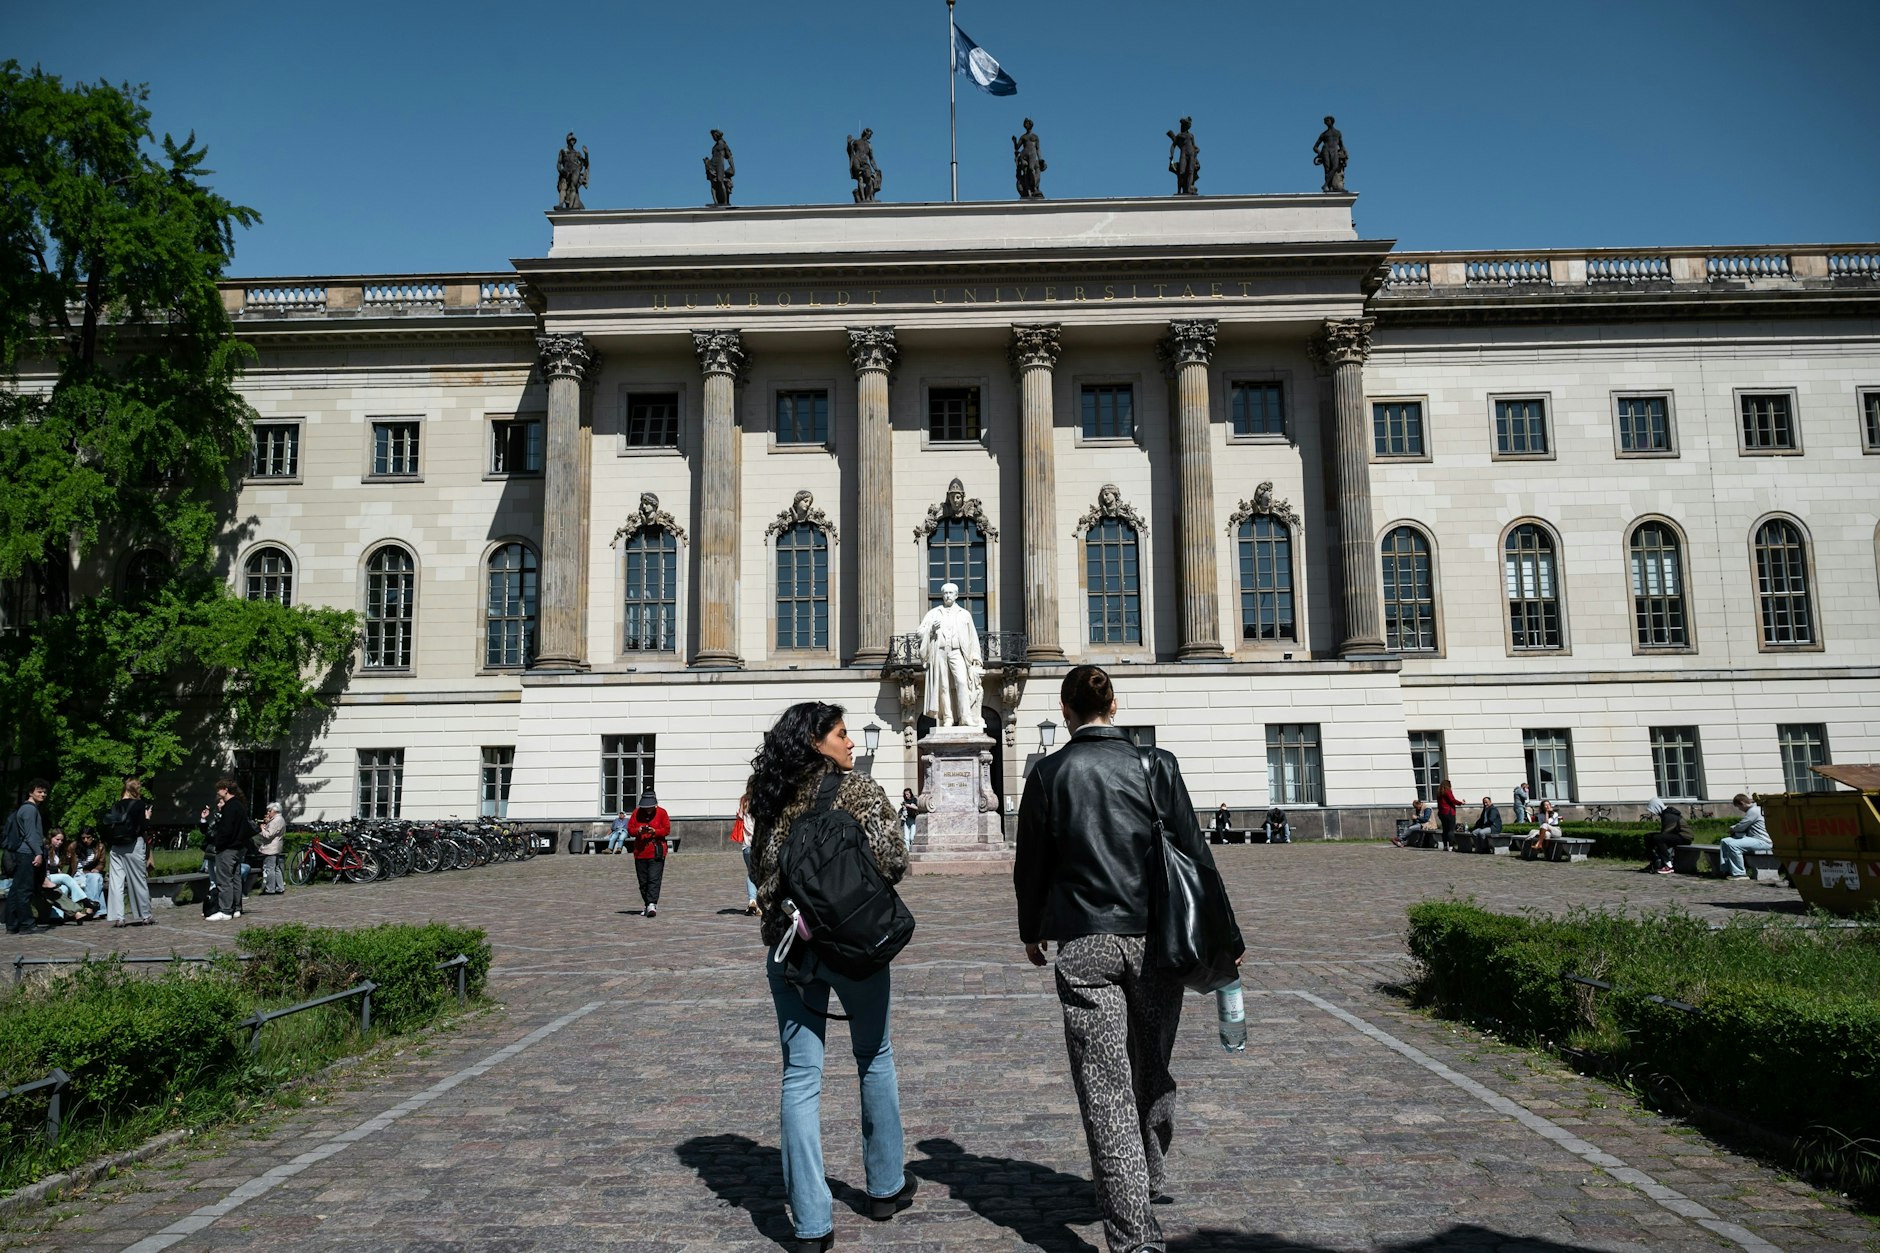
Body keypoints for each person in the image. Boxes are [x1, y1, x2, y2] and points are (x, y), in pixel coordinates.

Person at [1016, 664, 1242, 1253]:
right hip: (1157, 940)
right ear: (1114, 706)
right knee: (1151, 1065)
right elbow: (1196, 853)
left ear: (1065, 712)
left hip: (1085, 941)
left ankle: (1134, 1229)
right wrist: (1226, 938)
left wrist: (1031, 931)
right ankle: (1147, 1178)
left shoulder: (1047, 774)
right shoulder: (1157, 765)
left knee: (1105, 1085)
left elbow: (1031, 865)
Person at [747, 701, 914, 1252]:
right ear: (817, 742)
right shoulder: (860, 791)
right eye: (841, 734)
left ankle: (812, 1224)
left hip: (792, 948)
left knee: (800, 1077)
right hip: (856, 947)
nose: (850, 742)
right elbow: (894, 860)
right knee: (874, 1055)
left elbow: (760, 871)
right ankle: (886, 1188)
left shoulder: (773, 798)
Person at [918, 582, 984, 727]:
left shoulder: (964, 614)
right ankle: (948, 717)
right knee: (943, 686)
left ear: (956, 595)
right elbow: (919, 632)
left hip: (957, 652)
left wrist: (975, 656)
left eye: (950, 593)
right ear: (942, 595)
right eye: (945, 593)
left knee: (962, 682)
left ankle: (965, 717)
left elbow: (972, 637)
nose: (948, 595)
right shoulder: (934, 613)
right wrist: (930, 630)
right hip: (940, 652)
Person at [103, 777, 156, 928]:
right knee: (138, 880)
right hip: (133, 845)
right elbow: (143, 827)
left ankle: (118, 917)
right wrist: (147, 817)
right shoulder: (139, 804)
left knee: (116, 882)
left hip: (116, 846)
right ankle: (145, 915)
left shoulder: (115, 805)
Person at [3, 778, 50, 934]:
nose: (43, 794)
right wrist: (38, 853)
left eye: (45, 792)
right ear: (31, 792)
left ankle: (12, 924)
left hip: (24, 853)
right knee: (24, 890)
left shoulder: (27, 809)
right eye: (39, 791)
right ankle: (26, 924)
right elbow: (31, 835)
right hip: (27, 853)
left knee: (16, 889)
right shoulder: (30, 810)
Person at [199, 777, 250, 921]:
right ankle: (236, 908)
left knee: (225, 880)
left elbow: (226, 830)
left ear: (226, 790)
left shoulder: (230, 807)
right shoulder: (239, 805)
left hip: (227, 848)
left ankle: (225, 910)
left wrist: (219, 843)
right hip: (238, 847)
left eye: (219, 789)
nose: (218, 792)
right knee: (235, 879)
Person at [629, 790, 670, 917]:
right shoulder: (636, 813)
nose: (648, 809)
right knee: (643, 881)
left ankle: (652, 904)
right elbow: (630, 829)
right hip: (640, 852)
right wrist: (638, 831)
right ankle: (647, 904)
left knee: (654, 878)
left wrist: (655, 831)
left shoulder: (662, 813)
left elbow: (666, 830)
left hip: (656, 851)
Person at [1720, 793, 1770, 880]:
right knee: (1725, 841)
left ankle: (1740, 874)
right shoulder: (1753, 810)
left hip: (1762, 841)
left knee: (1733, 845)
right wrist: (1735, 828)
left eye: (1738, 807)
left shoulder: (1754, 811)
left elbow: (1742, 826)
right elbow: (1744, 824)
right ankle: (1726, 870)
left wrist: (1733, 829)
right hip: (1753, 839)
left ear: (1742, 803)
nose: (1739, 809)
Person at [1644, 797, 1694, 874]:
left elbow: (1666, 832)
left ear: (1656, 807)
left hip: (1684, 837)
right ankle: (1655, 862)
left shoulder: (1669, 815)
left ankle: (1668, 865)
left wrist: (1657, 845)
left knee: (1658, 838)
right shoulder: (1665, 813)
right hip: (1677, 835)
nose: (1653, 813)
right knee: (1648, 836)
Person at [732, 792, 757, 915]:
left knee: (751, 873)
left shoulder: (744, 803)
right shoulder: (762, 805)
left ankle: (752, 900)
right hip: (759, 845)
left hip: (747, 846)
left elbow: (739, 817)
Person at [257, 800, 288, 895]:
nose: (268, 813)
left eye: (270, 811)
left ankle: (270, 889)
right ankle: (280, 887)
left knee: (270, 868)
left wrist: (262, 829)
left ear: (275, 811)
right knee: (276, 868)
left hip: (271, 848)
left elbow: (268, 835)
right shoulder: (280, 819)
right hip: (276, 846)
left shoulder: (276, 820)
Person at [70, 830, 106, 906]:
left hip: (91, 872)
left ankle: (91, 905)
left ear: (93, 837)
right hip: (78, 873)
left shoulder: (100, 847)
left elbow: (102, 863)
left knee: (95, 878)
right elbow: (65, 859)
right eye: (83, 838)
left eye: (88, 837)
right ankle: (96, 908)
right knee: (97, 883)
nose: (85, 840)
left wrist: (97, 869)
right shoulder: (74, 846)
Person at [1436, 779, 1461, 851]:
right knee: (1450, 830)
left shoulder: (1439, 792)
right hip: (1448, 812)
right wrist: (1460, 803)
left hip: (1441, 812)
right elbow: (1452, 800)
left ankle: (1445, 846)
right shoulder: (1447, 791)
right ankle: (1451, 846)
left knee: (1445, 830)